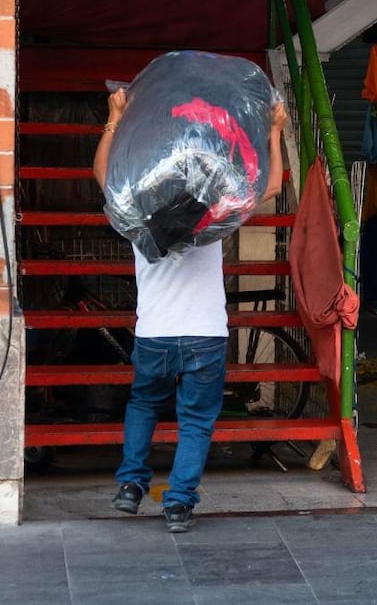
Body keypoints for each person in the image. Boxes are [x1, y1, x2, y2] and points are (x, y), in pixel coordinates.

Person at [93, 87, 287, 532]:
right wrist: (274, 133)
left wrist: (115, 118)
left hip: (154, 334)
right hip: (205, 335)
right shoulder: (213, 217)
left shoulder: (137, 215)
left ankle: (130, 485)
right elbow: (272, 186)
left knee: (143, 404)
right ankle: (178, 504)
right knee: (197, 421)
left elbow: (101, 171)